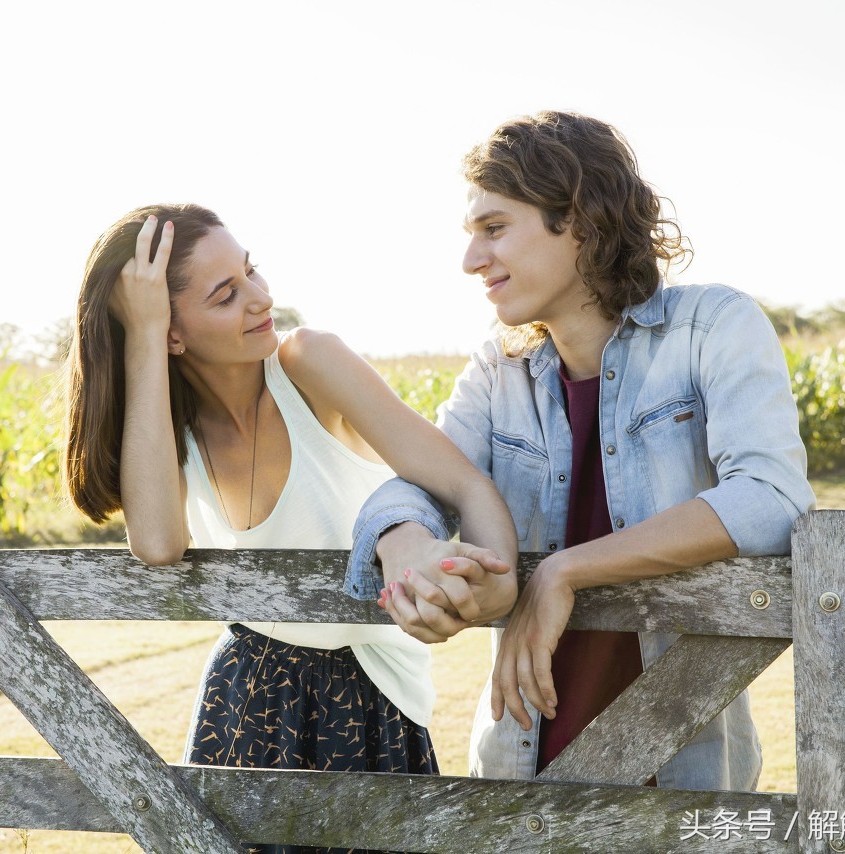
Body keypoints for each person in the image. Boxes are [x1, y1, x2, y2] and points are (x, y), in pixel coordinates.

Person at [346, 111, 816, 790]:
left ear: (581, 220)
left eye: (495, 228)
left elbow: (771, 500)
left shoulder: (714, 326)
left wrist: (564, 571)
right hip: (519, 773)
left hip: (685, 775)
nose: (472, 259)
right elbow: (418, 484)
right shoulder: (498, 368)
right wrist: (403, 542)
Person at [62, 204, 518, 849]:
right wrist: (141, 338)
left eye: (251, 272)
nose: (261, 299)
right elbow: (158, 544)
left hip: (370, 695)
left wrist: (498, 589)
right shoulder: (167, 428)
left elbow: (464, 482)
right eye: (226, 294)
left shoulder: (309, 362)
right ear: (170, 330)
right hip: (245, 693)